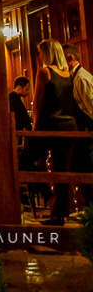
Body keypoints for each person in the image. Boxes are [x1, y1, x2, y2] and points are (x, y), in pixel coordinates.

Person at [20, 39, 78, 225]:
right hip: (68, 126)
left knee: (24, 159)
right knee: (62, 171)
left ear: (48, 53)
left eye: (41, 52)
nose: (39, 56)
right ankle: (58, 214)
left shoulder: (45, 72)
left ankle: (48, 196)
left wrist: (35, 128)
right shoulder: (68, 74)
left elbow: (37, 103)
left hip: (49, 125)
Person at [63, 43, 93, 209]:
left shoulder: (81, 78)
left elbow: (91, 107)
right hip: (81, 132)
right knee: (77, 168)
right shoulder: (75, 77)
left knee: (82, 169)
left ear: (70, 59)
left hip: (86, 133)